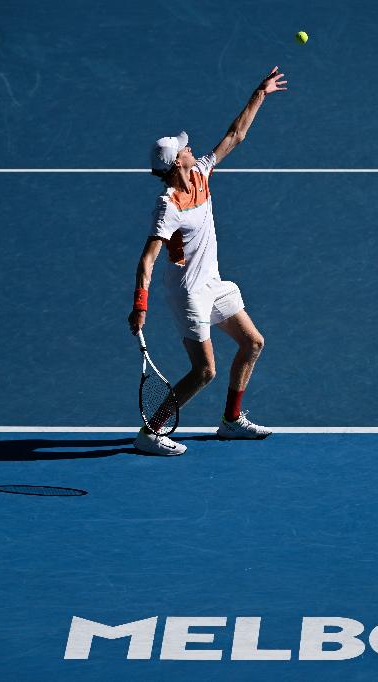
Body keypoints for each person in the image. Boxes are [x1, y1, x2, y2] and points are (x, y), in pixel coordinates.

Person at [127, 66, 288, 455]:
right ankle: (150, 433)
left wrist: (259, 93)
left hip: (212, 281)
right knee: (205, 372)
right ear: (175, 163)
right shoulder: (167, 208)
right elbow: (148, 258)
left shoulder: (199, 173)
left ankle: (231, 422)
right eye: (184, 148)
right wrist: (139, 304)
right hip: (187, 292)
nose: (190, 148)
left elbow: (236, 134)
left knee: (252, 343)